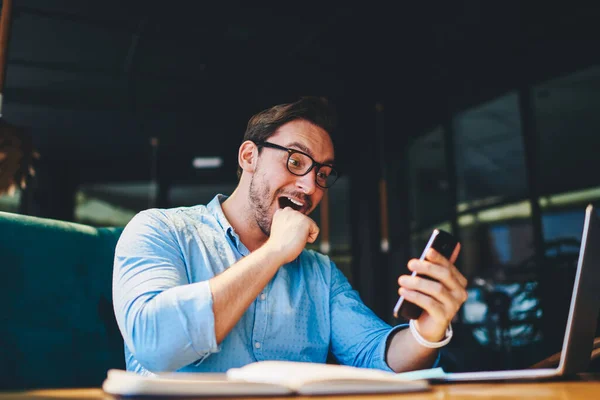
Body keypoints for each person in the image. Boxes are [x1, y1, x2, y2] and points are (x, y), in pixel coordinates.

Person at [112, 97, 468, 375]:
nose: (310, 186)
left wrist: (427, 330)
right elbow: (153, 342)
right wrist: (273, 254)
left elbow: (374, 355)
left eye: (324, 173)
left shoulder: (320, 274)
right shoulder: (159, 230)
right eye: (296, 162)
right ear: (250, 156)